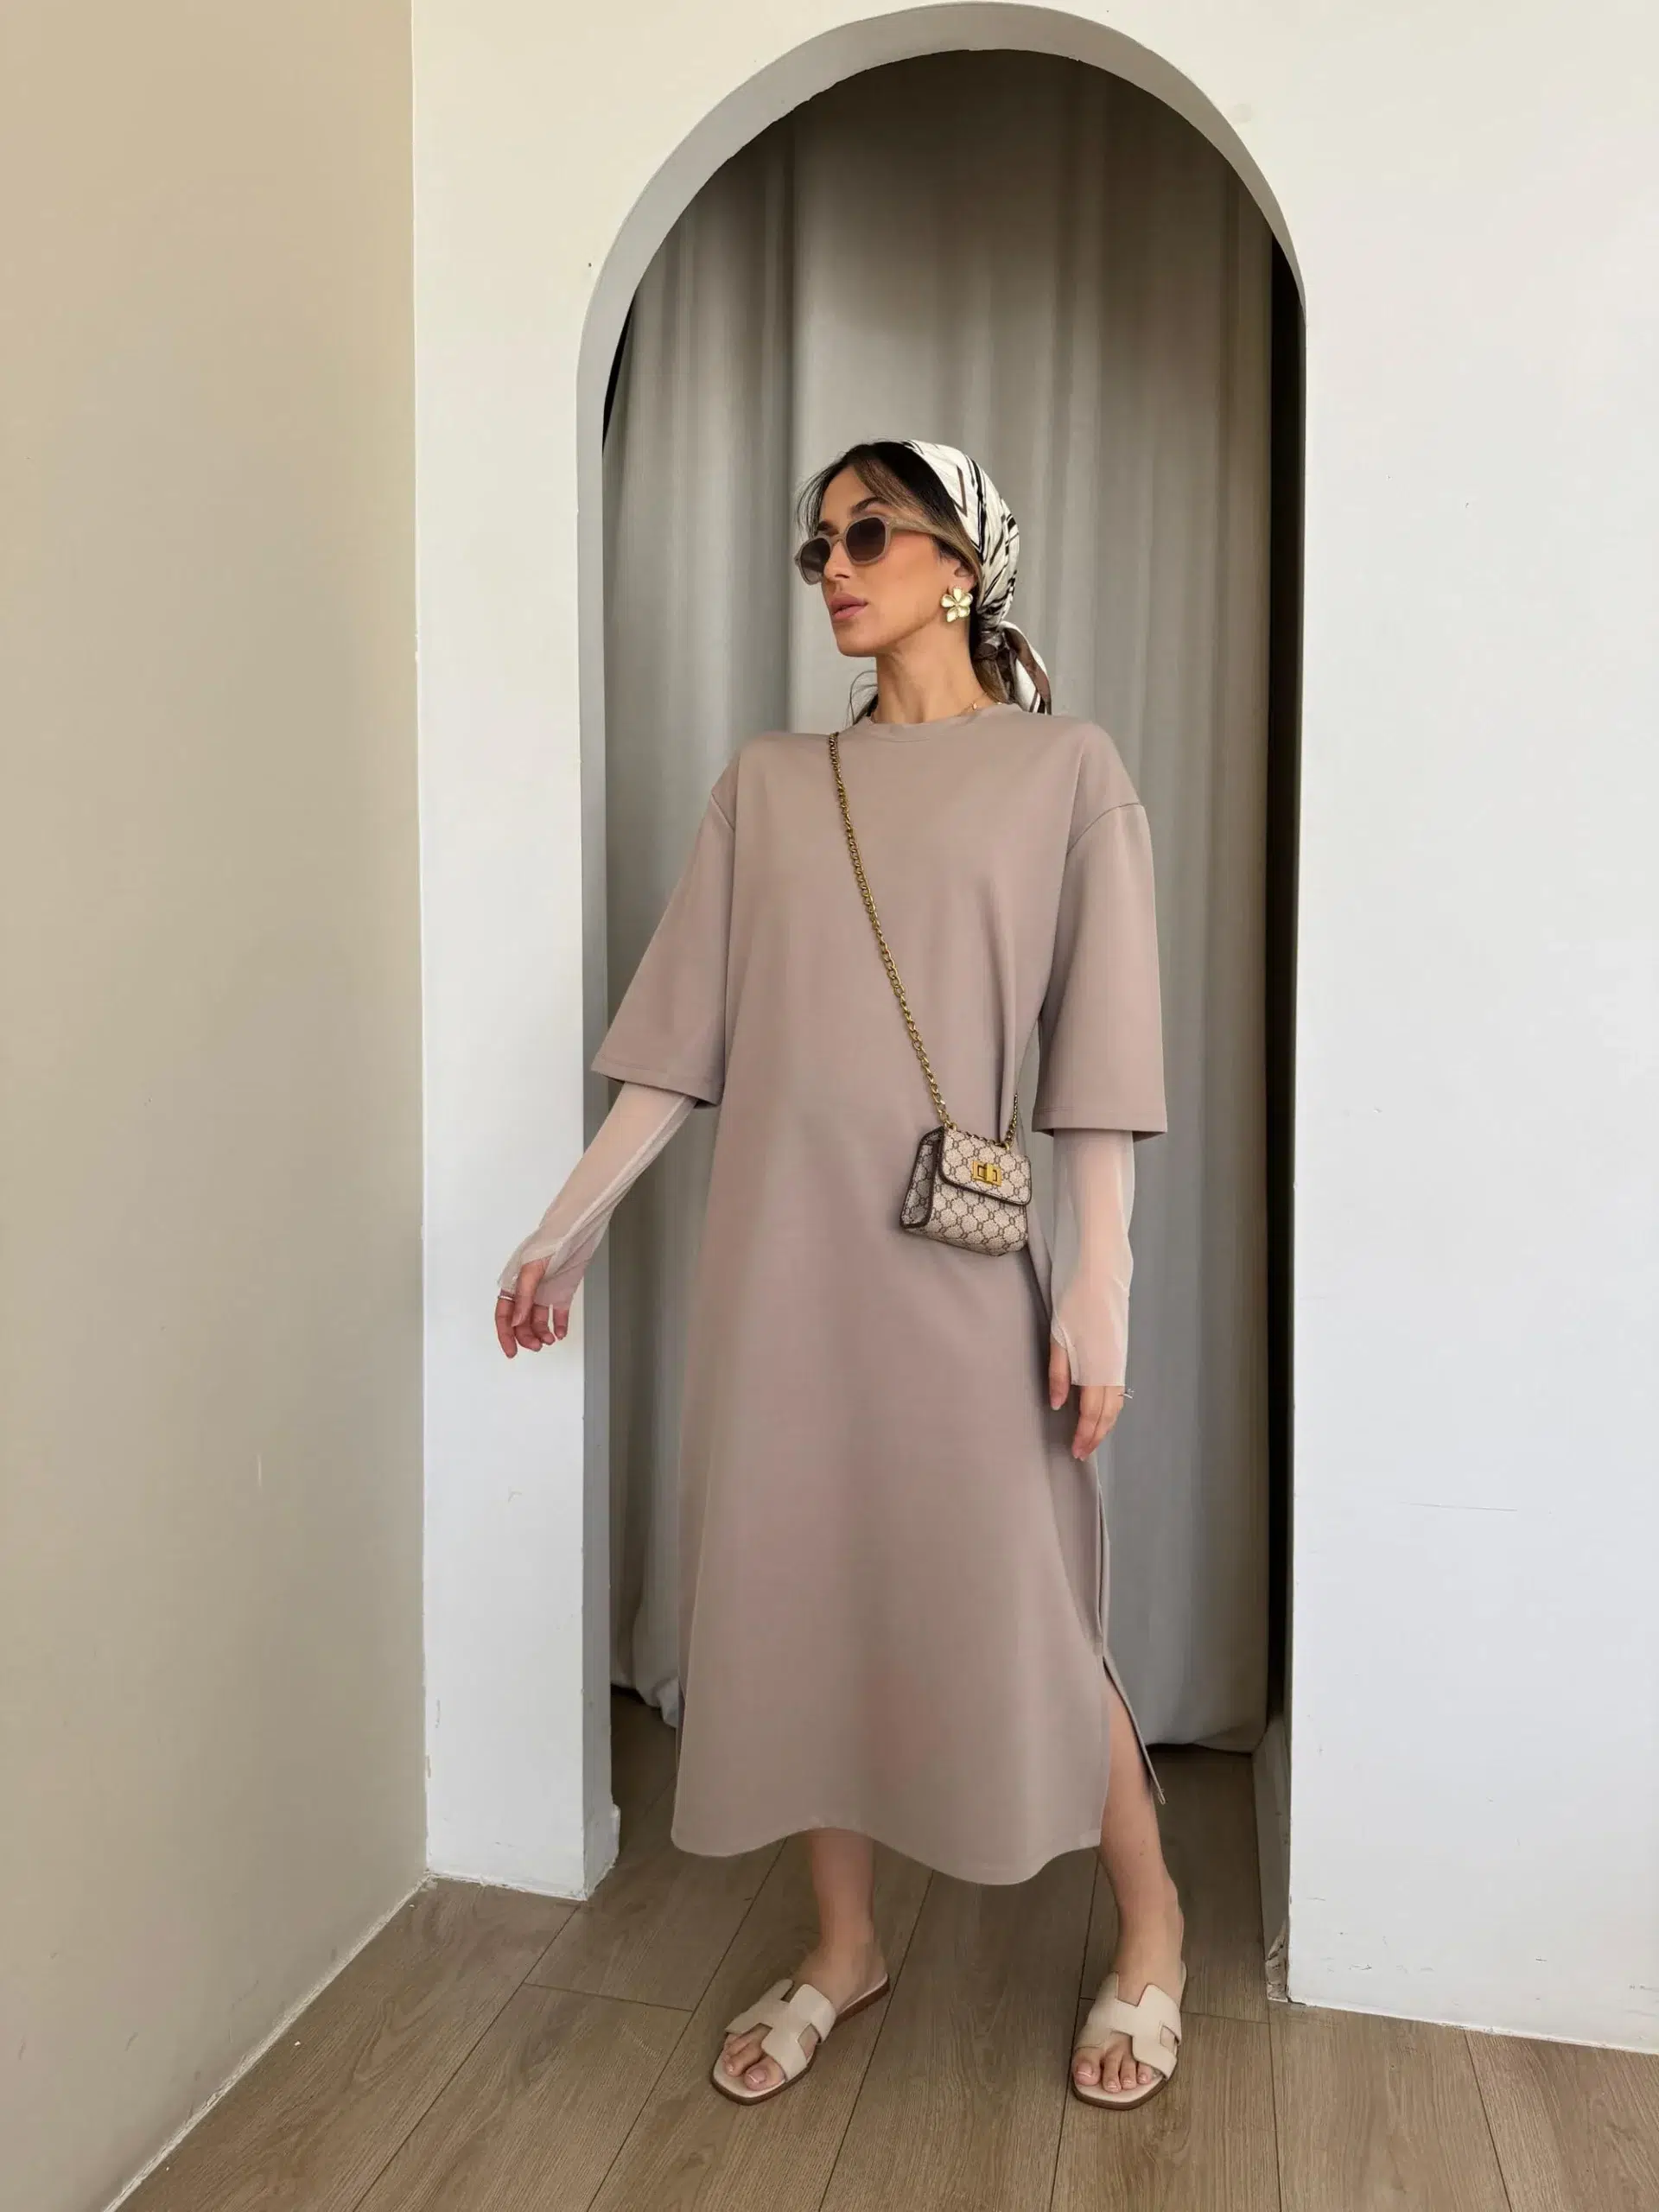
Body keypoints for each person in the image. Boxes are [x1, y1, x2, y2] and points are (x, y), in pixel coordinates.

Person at [495, 439, 1185, 2112]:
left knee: (1029, 1598)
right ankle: (845, 1940)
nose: (837, 569)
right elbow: (680, 1044)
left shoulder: (1067, 770)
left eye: (870, 535)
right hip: (780, 1264)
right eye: (819, 548)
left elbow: (1100, 1061)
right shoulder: (770, 782)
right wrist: (567, 1221)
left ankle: (1156, 1927)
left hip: (960, 1270)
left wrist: (1101, 1285)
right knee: (801, 1583)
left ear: (963, 565)